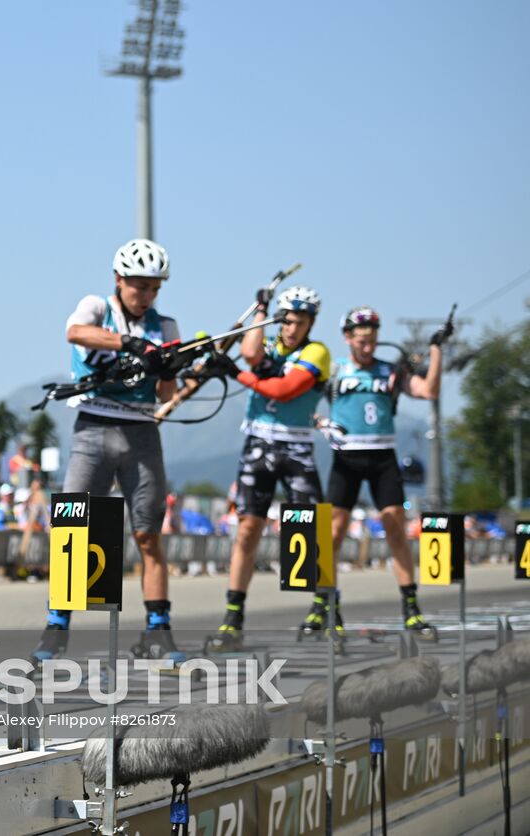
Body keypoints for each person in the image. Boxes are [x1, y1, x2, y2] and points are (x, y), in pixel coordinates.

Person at [35, 239, 186, 665]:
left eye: (154, 288)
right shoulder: (97, 307)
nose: (147, 296)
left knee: (147, 534)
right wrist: (130, 344)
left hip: (141, 430)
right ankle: (57, 625)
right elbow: (75, 333)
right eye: (139, 286)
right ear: (119, 280)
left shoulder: (165, 325)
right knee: (73, 528)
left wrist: (168, 370)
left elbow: (165, 394)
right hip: (93, 427)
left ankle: (159, 629)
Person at [203, 285, 331, 652]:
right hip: (259, 443)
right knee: (247, 529)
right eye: (287, 321)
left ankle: (322, 605)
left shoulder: (316, 352)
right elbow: (249, 351)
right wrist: (260, 310)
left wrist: (234, 374)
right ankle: (233, 616)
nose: (292, 329)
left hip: (296, 445)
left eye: (301, 322)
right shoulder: (271, 347)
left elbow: (283, 390)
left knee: (308, 531)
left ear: (310, 324)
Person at [323, 306, 449, 639]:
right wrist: (321, 423)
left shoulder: (390, 371)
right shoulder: (334, 370)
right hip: (346, 458)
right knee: (332, 534)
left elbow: (428, 391)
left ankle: (411, 608)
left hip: (382, 457)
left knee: (395, 526)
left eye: (373, 340)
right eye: (362, 340)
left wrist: (436, 352)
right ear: (348, 338)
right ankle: (327, 607)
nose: (368, 347)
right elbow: (304, 405)